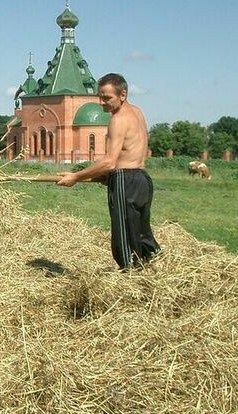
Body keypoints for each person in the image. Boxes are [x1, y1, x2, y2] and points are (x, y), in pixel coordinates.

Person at [56, 73, 160, 270]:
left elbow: (110, 162)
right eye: (99, 97)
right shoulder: (137, 112)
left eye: (107, 98)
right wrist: (105, 175)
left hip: (125, 180)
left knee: (124, 235)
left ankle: (129, 274)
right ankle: (150, 268)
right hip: (142, 179)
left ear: (123, 94)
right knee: (141, 231)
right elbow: (131, 151)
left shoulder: (117, 120)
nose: (101, 103)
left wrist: (75, 177)